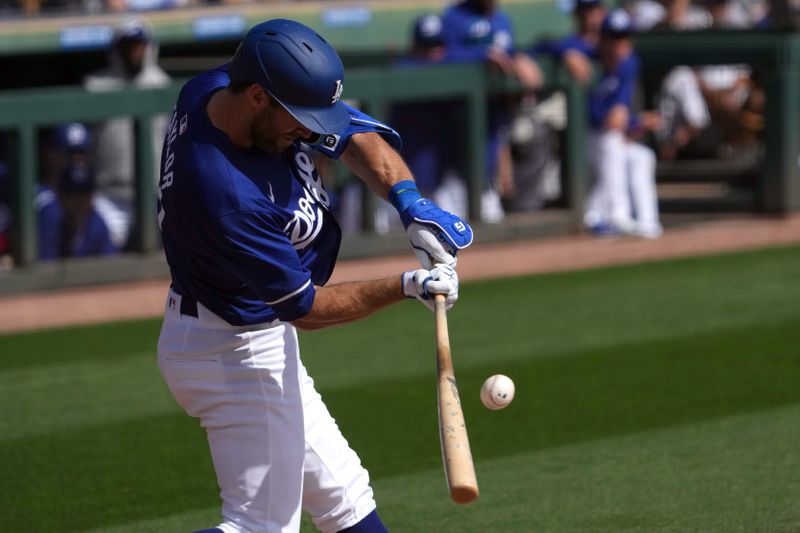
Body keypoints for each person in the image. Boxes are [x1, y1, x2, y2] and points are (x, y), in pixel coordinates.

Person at [156, 19, 472, 533]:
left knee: (345, 498)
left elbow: (350, 134)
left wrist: (410, 202)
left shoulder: (216, 89)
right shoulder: (226, 195)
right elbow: (306, 309)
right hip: (232, 350)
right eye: (298, 117)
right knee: (260, 527)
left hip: (238, 333)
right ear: (257, 96)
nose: (307, 131)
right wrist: (406, 285)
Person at [440, 0, 543, 222]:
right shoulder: (453, 18)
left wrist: (520, 57)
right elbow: (441, 57)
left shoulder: (502, 19)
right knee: (451, 226)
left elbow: (509, 52)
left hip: (493, 126)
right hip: (457, 131)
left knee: (491, 221)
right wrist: (482, 55)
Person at [84, 18, 171, 250]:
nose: (135, 52)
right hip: (108, 198)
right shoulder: (96, 86)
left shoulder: (163, 84)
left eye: (140, 45)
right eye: (129, 45)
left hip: (155, 196)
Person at [584, 9, 663, 238]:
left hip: (609, 139)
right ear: (603, 39)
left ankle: (648, 224)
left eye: (624, 37)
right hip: (583, 140)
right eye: (614, 38)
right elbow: (597, 116)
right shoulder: (589, 59)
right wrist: (568, 54)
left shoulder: (629, 63)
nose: (620, 44)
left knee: (642, 156)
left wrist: (635, 123)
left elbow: (618, 117)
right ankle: (617, 215)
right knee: (611, 142)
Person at [35, 161, 118, 259]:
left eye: (84, 194)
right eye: (73, 195)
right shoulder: (50, 221)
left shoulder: (96, 223)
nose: (79, 202)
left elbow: (110, 262)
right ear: (60, 196)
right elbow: (45, 264)